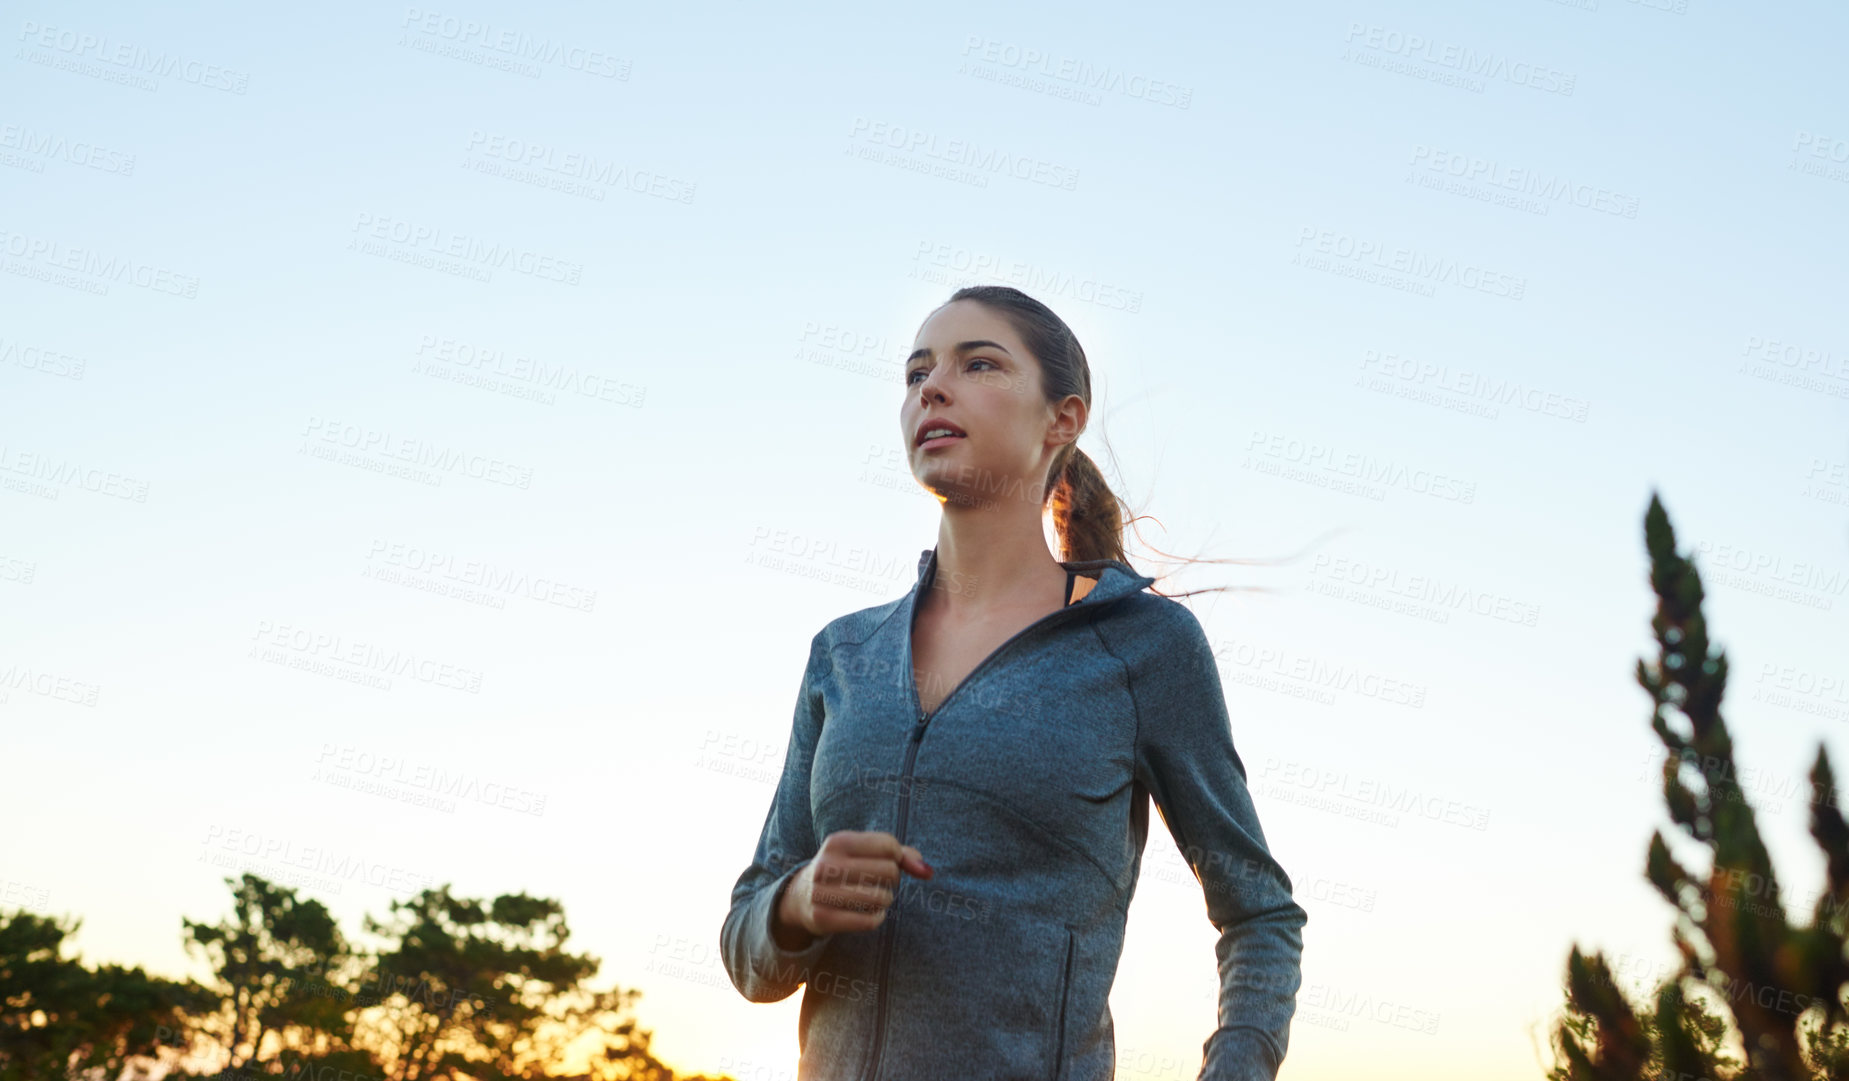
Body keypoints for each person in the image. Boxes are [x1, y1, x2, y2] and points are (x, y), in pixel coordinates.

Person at [719, 285, 1307, 1081]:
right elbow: (748, 953)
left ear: (1061, 418)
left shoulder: (1144, 647)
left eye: (978, 364)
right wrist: (794, 904)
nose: (931, 387)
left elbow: (1258, 912)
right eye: (916, 371)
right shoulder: (843, 653)